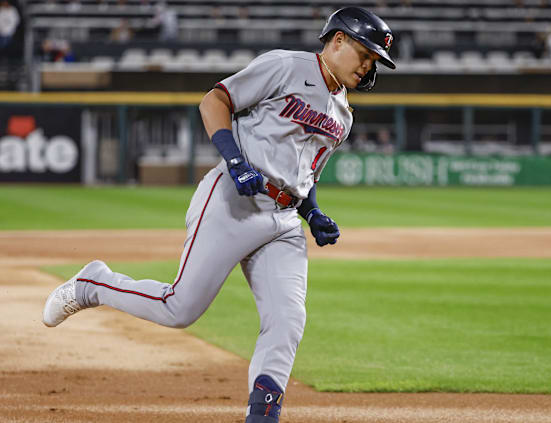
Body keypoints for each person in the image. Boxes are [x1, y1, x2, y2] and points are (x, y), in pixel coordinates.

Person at [42, 6, 395, 423]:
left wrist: (313, 212)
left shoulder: (344, 114)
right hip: (234, 200)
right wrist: (234, 160)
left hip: (283, 223)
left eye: (374, 61)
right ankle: (93, 283)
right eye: (365, 54)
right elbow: (215, 100)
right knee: (180, 308)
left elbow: (304, 173)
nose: (369, 66)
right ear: (337, 41)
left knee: (288, 317)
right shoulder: (285, 66)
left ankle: (263, 414)